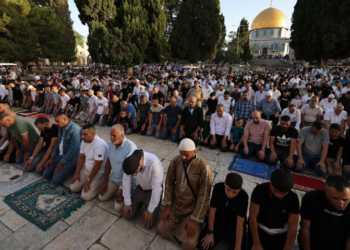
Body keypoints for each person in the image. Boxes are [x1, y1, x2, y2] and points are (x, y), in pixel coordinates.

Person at [158, 138, 212, 249]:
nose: (183, 157)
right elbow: (169, 183)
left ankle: (186, 230)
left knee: (189, 245)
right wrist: (168, 206)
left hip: (191, 211)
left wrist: (194, 220)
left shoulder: (203, 167)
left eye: (186, 155)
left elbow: (204, 196)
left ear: (194, 152)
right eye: (181, 154)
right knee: (161, 229)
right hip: (176, 207)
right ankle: (180, 234)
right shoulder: (176, 161)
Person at [248, 169, 299, 250]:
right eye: (275, 191)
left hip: (280, 234)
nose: (279, 195)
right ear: (270, 181)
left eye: (283, 193)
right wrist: (256, 243)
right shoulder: (259, 190)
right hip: (260, 230)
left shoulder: (293, 198)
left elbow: (293, 226)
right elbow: (252, 216)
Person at [299, 175, 350, 250]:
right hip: (314, 243)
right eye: (335, 198)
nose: (341, 204)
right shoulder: (312, 198)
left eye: (345, 199)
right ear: (326, 191)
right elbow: (305, 228)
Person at [198, 173, 248, 250]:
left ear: (240, 188)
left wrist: (238, 246)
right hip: (219, 221)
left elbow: (240, 223)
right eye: (228, 190)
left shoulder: (244, 197)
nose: (230, 194)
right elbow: (212, 210)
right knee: (202, 245)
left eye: (234, 192)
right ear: (224, 183)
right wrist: (210, 232)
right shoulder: (218, 188)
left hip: (234, 226)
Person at [98, 125, 137, 214]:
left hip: (127, 182)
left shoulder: (130, 147)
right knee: (101, 197)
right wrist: (105, 182)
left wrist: (123, 189)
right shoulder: (112, 144)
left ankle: (130, 193)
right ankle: (116, 190)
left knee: (118, 208)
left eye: (114, 135)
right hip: (114, 179)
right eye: (110, 135)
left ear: (122, 136)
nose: (111, 137)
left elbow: (130, 172)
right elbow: (108, 163)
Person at [122, 149, 163, 229]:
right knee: (127, 215)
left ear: (140, 164)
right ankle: (142, 204)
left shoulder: (154, 164)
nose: (135, 175)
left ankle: (147, 205)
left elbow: (156, 190)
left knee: (148, 224)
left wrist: (150, 211)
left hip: (152, 191)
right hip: (140, 188)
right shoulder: (129, 159)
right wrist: (127, 202)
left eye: (135, 173)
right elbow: (126, 181)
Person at [70, 124, 108, 201]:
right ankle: (88, 183)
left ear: (93, 134)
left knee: (85, 196)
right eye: (82, 134)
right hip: (86, 169)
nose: (82, 137)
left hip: (98, 172)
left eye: (85, 134)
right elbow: (81, 157)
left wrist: (89, 180)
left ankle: (99, 182)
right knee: (73, 188)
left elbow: (98, 165)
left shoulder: (100, 145)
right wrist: (77, 173)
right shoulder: (84, 141)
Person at [43, 113, 81, 185]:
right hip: (61, 155)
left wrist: (61, 162)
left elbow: (74, 149)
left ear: (65, 119)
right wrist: (52, 158)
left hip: (70, 158)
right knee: (46, 174)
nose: (56, 123)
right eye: (55, 121)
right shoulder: (60, 127)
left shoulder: (75, 129)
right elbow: (58, 143)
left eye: (58, 121)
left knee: (55, 181)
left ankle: (72, 168)